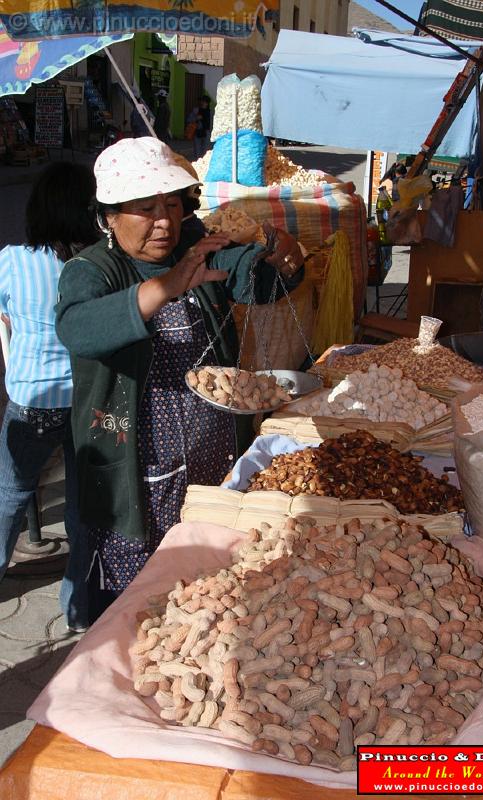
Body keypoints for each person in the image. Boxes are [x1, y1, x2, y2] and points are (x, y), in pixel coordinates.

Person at [55, 137, 304, 622]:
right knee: (140, 600)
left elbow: (259, 282)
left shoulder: (196, 245)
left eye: (172, 204)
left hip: (212, 457)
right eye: (145, 209)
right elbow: (78, 328)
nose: (164, 221)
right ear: (109, 216)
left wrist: (280, 253)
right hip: (138, 472)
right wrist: (166, 287)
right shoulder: (91, 270)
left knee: (205, 584)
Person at [0, 162, 99, 632]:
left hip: (32, 400)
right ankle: (77, 608)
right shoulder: (100, 263)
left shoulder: (13, 260)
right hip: (86, 401)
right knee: (82, 506)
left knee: (10, 494)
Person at [189, 94, 211, 159]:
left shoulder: (210, 111)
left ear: (207, 103)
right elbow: (189, 119)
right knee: (197, 153)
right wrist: (196, 118)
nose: (202, 103)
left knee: (205, 153)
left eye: (204, 101)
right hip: (197, 132)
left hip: (206, 133)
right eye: (201, 101)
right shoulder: (196, 110)